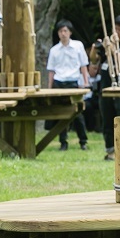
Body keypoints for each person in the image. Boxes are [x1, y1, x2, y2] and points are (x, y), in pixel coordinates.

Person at [45, 20, 91, 151]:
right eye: (60, 31)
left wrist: (86, 82)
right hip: (59, 82)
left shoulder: (78, 46)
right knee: (61, 112)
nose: (63, 34)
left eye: (65, 31)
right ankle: (63, 142)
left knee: (77, 112)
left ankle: (83, 141)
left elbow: (83, 65)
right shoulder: (54, 50)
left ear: (70, 32)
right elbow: (51, 70)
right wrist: (50, 87)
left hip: (73, 81)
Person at [100, 15, 120, 161]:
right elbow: (94, 62)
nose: (117, 32)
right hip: (106, 88)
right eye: (116, 28)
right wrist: (99, 50)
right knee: (107, 121)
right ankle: (110, 151)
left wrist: (114, 51)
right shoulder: (110, 44)